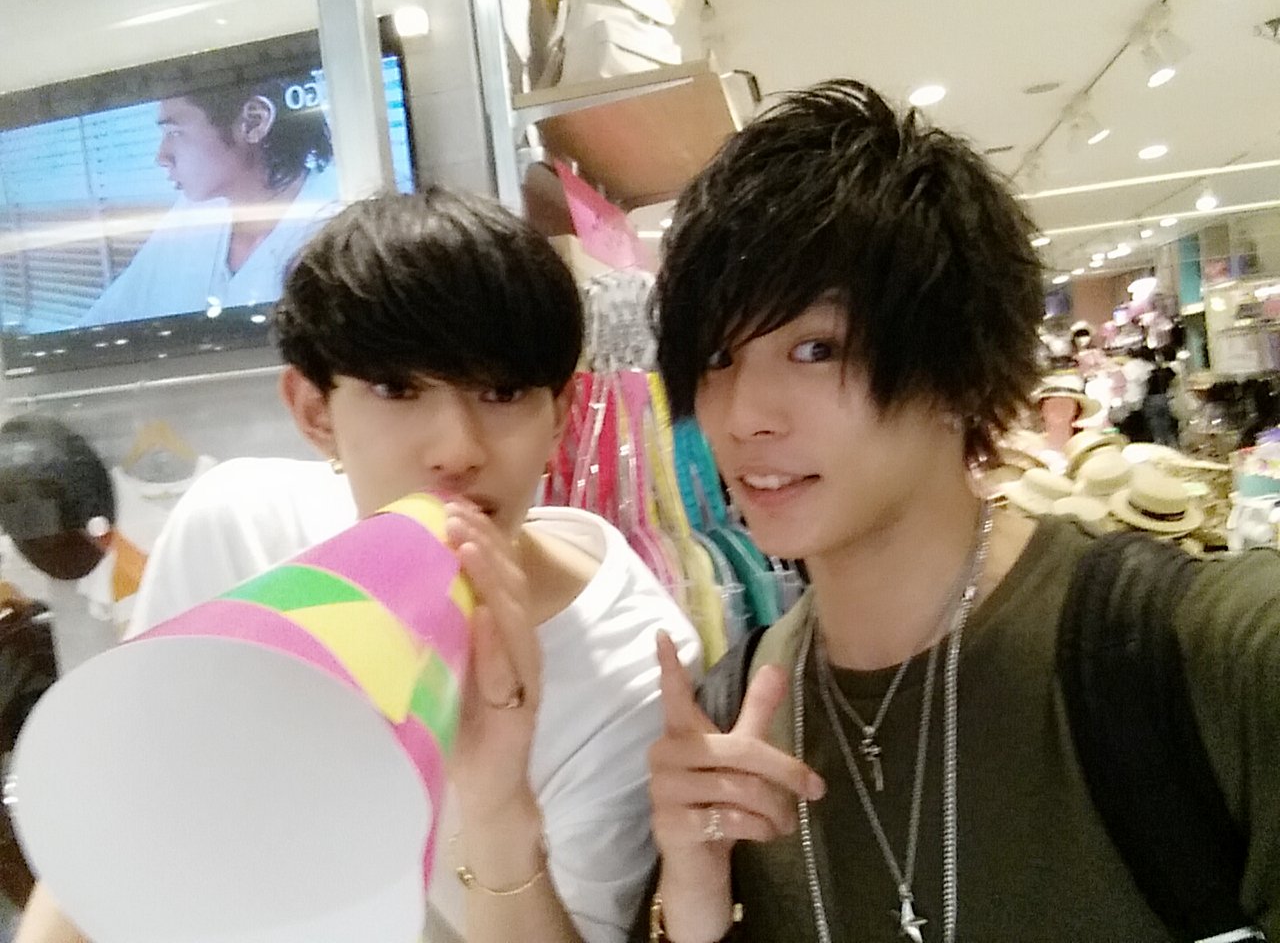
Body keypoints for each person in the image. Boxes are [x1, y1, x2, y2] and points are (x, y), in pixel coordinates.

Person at [631, 80, 1280, 942]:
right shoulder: (737, 713)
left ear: (957, 372)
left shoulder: (1197, 656)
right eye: (716, 356)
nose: (744, 414)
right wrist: (695, 905)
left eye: (815, 348)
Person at [18, 187, 701, 943]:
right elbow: (125, 817)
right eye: (396, 388)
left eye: (503, 392)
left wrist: (497, 806)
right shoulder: (240, 530)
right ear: (314, 412)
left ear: (561, 414)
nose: (458, 449)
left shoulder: (632, 661)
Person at [77, 73, 338, 327]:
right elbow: (104, 320)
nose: (161, 156)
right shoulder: (190, 215)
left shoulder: (334, 228)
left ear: (254, 122)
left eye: (175, 132)